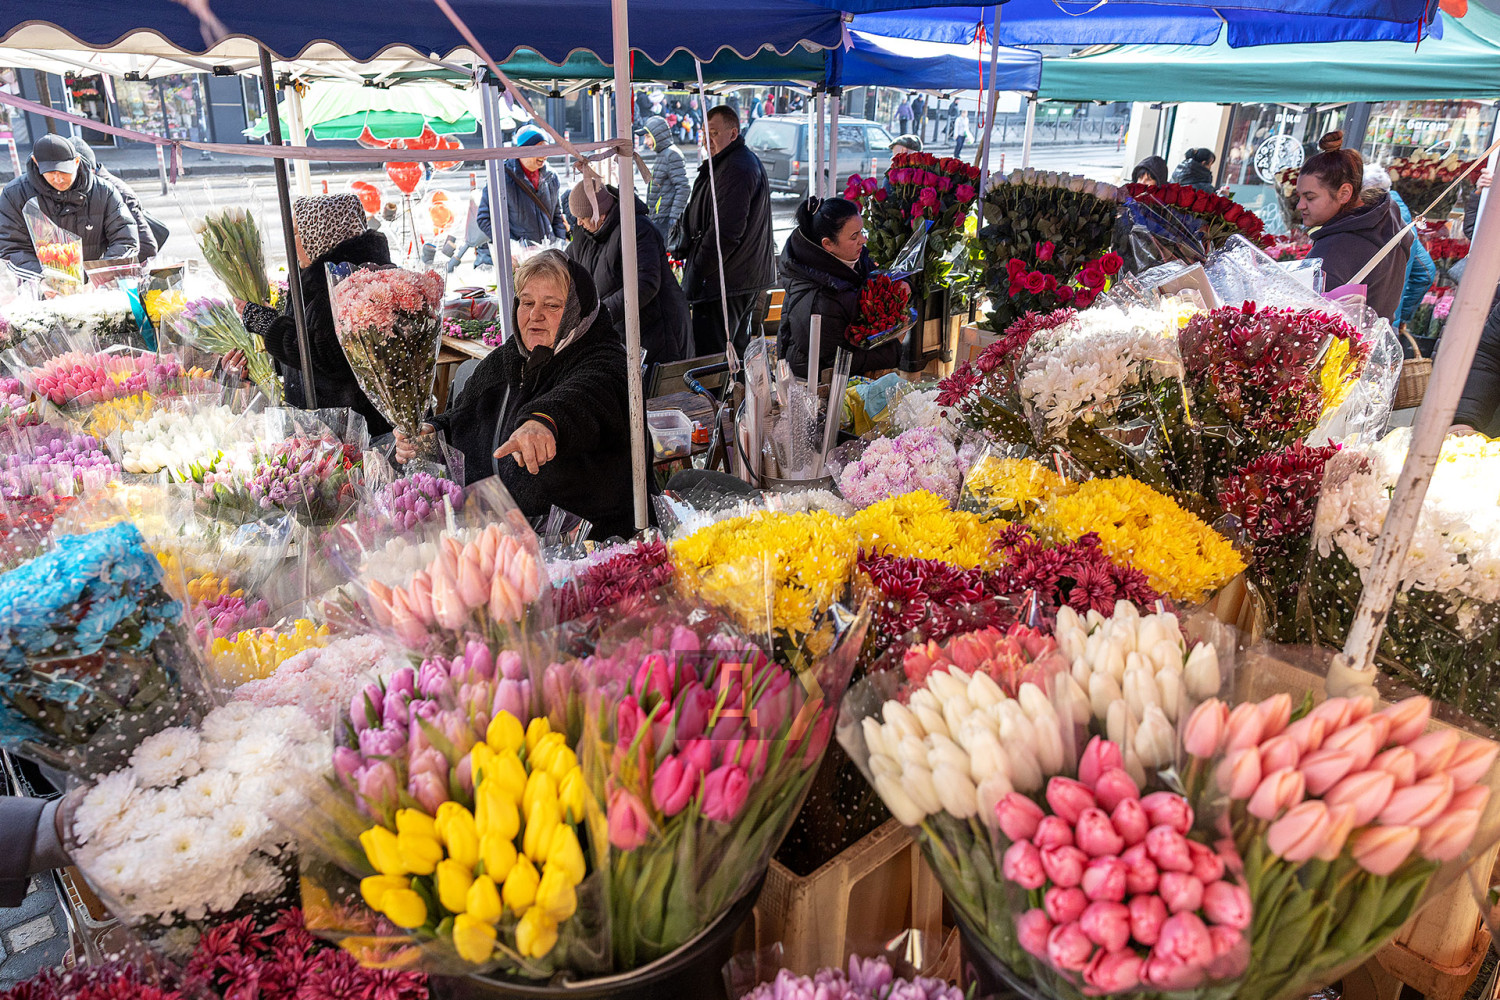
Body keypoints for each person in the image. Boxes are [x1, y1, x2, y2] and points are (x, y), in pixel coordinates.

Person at [395, 250, 634, 540]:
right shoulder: (505, 359)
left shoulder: (606, 360)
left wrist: (544, 422)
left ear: (576, 310)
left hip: (583, 543)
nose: (535, 315)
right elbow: (463, 416)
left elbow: (586, 396)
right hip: (495, 534)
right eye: (527, 302)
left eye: (552, 305)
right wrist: (433, 433)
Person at [240, 193, 393, 436]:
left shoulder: (354, 287)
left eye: (296, 233)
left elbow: (327, 355)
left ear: (319, 235)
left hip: (353, 431)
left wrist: (269, 325)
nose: (290, 242)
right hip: (319, 427)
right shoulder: (310, 279)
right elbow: (299, 359)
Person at [676, 104, 775, 357]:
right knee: (733, 356)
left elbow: (726, 234)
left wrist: (698, 272)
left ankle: (724, 387)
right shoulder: (731, 163)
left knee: (716, 360)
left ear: (733, 133)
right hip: (733, 280)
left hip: (725, 283)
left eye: (714, 133)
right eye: (704, 133)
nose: (707, 140)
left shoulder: (736, 168)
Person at [566, 178, 692, 364]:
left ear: (600, 214)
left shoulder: (637, 229)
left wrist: (601, 314)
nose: (579, 222)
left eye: (583, 218)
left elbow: (645, 284)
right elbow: (566, 264)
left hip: (657, 334)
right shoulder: (586, 233)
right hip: (621, 332)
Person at [1295, 131, 1411, 324]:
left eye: (1310, 197)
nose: (1300, 205)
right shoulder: (1387, 223)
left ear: (1344, 193)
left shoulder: (1335, 249)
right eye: (1299, 196)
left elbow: (1309, 322)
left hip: (1345, 343)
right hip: (1376, 338)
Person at [778, 196, 901, 377]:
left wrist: (901, 287)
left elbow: (875, 282)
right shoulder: (819, 300)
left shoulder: (853, 258)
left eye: (861, 231)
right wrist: (895, 348)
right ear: (828, 244)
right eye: (854, 236)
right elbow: (837, 359)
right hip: (816, 383)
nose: (863, 240)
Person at [0, 133, 137, 275]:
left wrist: (99, 274)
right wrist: (42, 277)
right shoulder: (14, 194)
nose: (58, 179)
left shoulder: (104, 191)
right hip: (39, 282)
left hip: (95, 281)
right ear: (36, 162)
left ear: (77, 161)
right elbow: (11, 248)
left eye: (64, 171)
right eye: (50, 172)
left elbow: (125, 240)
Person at [1362, 164, 1436, 328]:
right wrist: (1403, 316)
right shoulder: (1407, 226)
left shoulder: (1371, 222)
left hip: (1361, 321)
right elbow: (1426, 273)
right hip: (1389, 323)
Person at [476, 124, 568, 251]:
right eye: (540, 150)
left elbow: (557, 216)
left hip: (548, 253)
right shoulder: (500, 178)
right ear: (523, 151)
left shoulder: (552, 177)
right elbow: (484, 219)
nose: (544, 156)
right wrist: (514, 246)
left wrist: (559, 245)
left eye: (547, 150)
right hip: (518, 256)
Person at [71, 138, 161, 264]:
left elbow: (145, 246)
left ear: (89, 169)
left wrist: (104, 269)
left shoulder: (115, 192)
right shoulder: (83, 190)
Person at [639, 115, 689, 242]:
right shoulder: (663, 154)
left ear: (657, 135)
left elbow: (683, 187)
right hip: (659, 219)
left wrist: (674, 218)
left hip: (665, 221)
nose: (645, 142)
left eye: (647, 136)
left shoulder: (671, 154)